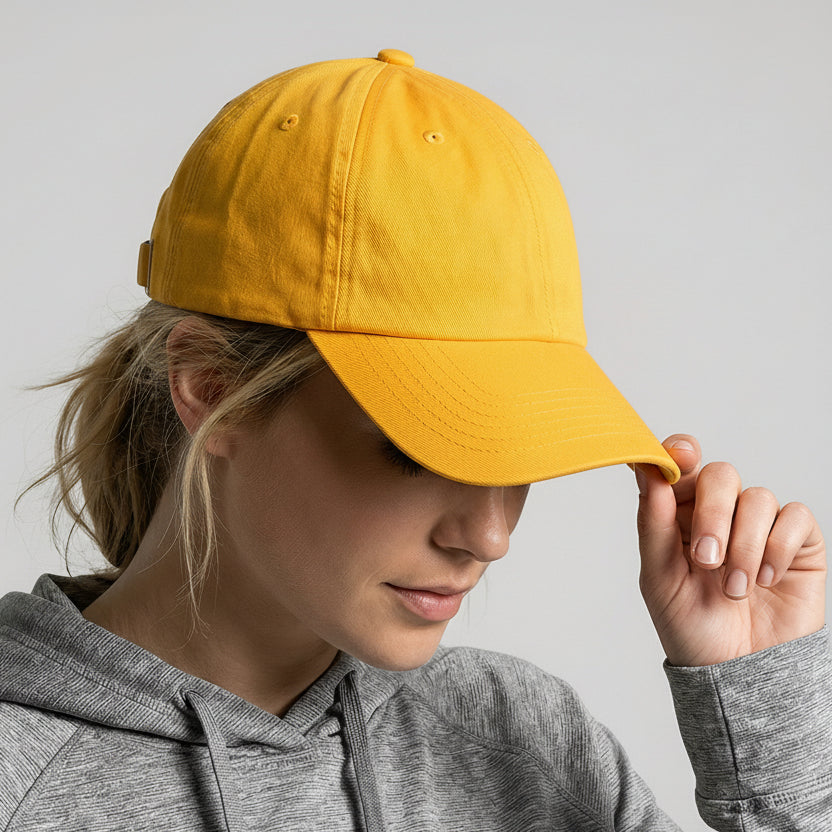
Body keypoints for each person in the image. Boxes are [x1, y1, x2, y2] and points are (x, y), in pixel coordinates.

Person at [0, 48, 828, 832]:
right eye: (420, 448)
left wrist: (767, 731)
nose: (491, 536)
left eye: (520, 454)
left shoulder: (523, 741)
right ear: (211, 388)